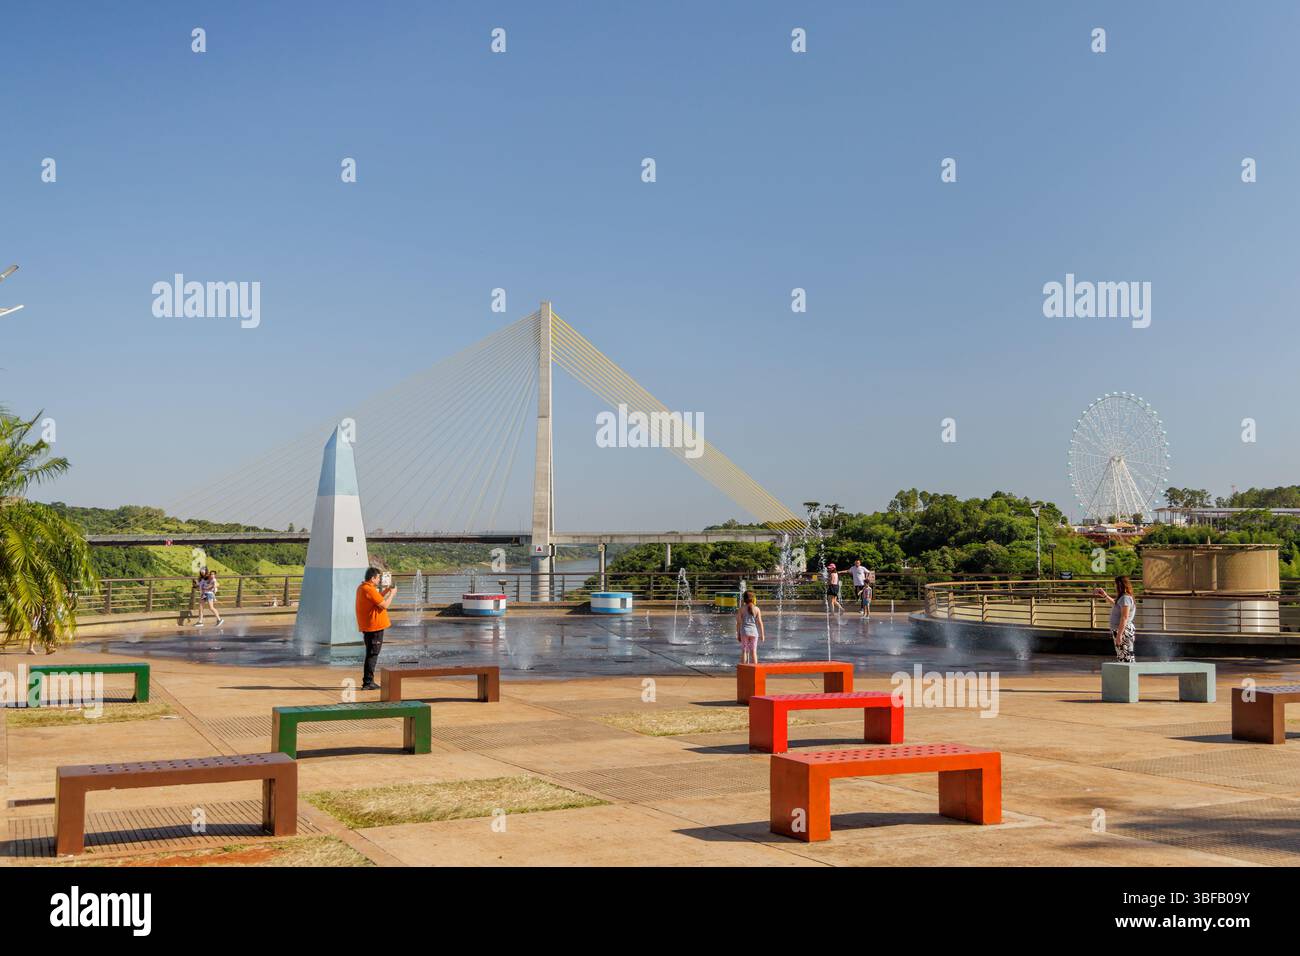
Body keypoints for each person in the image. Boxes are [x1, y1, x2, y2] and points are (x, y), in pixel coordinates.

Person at [355, 567, 396, 690]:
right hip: (374, 627)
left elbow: (377, 598)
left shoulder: (363, 588)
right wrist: (392, 594)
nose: (379, 580)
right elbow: (384, 605)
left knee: (371, 653)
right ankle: (368, 682)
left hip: (369, 626)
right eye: (378, 578)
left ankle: (368, 681)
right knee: (373, 654)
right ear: (373, 578)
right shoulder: (369, 589)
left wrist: (387, 591)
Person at [1094, 575, 1137, 663]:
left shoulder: (1125, 598)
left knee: (1126, 657)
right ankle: (1125, 676)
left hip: (1123, 630)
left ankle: (1127, 675)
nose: (1115, 587)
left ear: (1120, 585)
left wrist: (1119, 635)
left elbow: (1124, 617)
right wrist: (1105, 595)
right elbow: (1115, 604)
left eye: (1116, 584)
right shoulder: (1123, 598)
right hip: (1121, 630)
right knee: (1122, 655)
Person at [735, 590, 765, 664]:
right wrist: (762, 635)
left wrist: (738, 633)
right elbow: (760, 623)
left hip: (744, 632)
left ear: (744, 599)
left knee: (744, 650)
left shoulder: (741, 609)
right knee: (753, 651)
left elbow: (738, 623)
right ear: (753, 599)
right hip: (754, 633)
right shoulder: (757, 609)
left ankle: (744, 669)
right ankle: (755, 669)